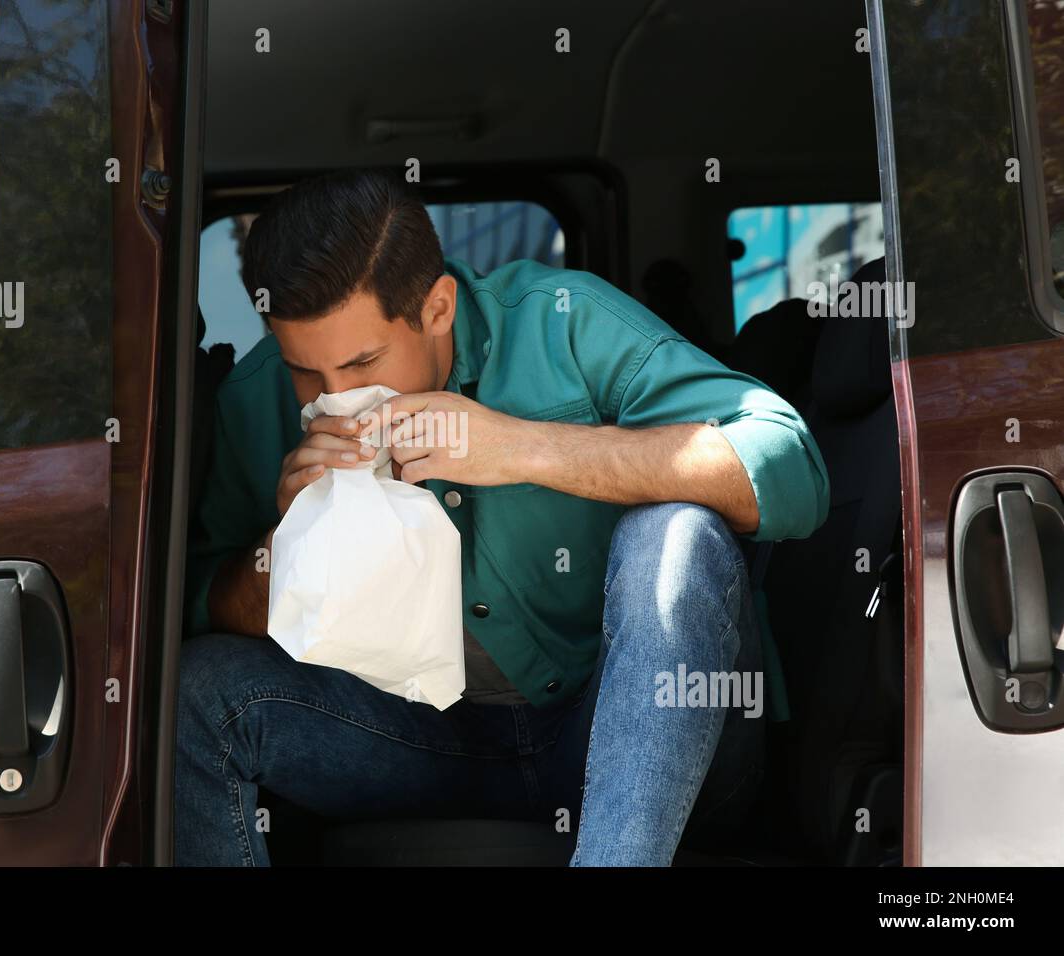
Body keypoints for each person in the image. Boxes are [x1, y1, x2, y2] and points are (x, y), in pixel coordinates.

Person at [175, 168, 829, 866]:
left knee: (674, 534)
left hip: (626, 729)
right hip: (414, 744)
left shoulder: (561, 324)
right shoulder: (255, 400)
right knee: (199, 691)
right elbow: (189, 608)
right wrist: (288, 544)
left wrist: (523, 447)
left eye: (364, 363)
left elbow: (791, 469)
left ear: (438, 308)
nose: (337, 397)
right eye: (306, 372)